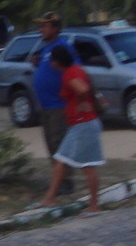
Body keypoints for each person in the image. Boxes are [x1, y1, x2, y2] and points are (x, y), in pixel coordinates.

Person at [41, 44, 104, 212]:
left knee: (84, 165)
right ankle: (51, 197)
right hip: (84, 123)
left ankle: (93, 204)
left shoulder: (69, 74)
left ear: (57, 61)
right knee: (64, 161)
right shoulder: (77, 69)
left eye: (52, 60)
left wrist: (80, 102)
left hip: (82, 124)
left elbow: (82, 89)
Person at [30, 11, 77, 198]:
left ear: (56, 28)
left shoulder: (62, 47)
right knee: (51, 144)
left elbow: (72, 69)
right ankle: (59, 180)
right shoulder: (47, 49)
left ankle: (66, 182)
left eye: (45, 26)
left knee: (60, 144)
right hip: (46, 105)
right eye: (40, 26)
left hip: (59, 105)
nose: (41, 30)